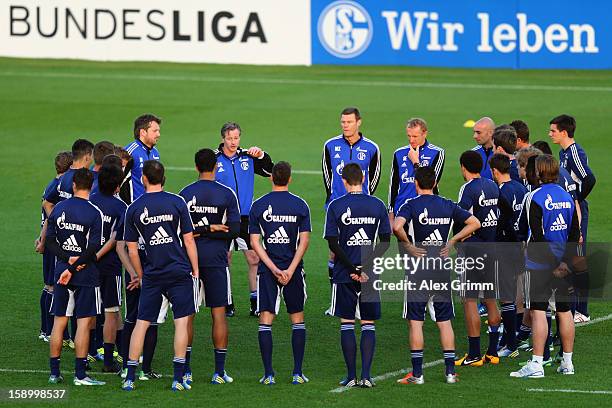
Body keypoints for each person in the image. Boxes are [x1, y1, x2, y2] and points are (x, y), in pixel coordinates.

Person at [393, 166, 480, 385]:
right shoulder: (448, 204)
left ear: (416, 183)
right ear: (434, 183)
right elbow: (475, 223)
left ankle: (417, 375)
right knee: (444, 321)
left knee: (415, 322)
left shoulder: (410, 205)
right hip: (440, 270)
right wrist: (452, 240)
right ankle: (450, 373)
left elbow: (396, 226)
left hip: (417, 270)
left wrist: (409, 245)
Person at [122, 160, 199, 391]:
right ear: (163, 178)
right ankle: (178, 378)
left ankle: (130, 377)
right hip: (178, 271)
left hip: (153, 274)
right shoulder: (177, 202)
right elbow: (188, 239)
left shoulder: (134, 208)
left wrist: (140, 274)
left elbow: (131, 248)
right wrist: (195, 269)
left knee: (141, 323)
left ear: (144, 178)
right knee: (181, 323)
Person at [510, 155, 580, 378]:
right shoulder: (568, 197)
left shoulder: (534, 196)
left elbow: (536, 235)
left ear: (539, 172)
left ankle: (537, 364)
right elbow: (575, 233)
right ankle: (567, 363)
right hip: (564, 265)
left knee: (539, 311)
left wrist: (552, 264)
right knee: (564, 311)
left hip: (540, 264)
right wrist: (565, 263)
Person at [324, 163, 390, 388]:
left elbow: (333, 243)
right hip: (370, 274)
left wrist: (352, 268)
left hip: (344, 273)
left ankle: (351, 375)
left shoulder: (336, 205)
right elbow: (385, 241)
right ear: (363, 179)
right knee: (368, 323)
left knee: (347, 323)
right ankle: (367, 376)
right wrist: (365, 267)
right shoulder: (377, 204)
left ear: (343, 181)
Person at [179, 148, 240, 385]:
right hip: (216, 261)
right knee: (218, 314)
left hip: (190, 262)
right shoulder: (227, 194)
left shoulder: (184, 194)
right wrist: (213, 229)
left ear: (196, 167)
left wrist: (200, 231)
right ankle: (219, 372)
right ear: (215, 166)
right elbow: (235, 230)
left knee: (188, 316)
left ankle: (186, 370)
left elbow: (179, 231)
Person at [249, 162, 311, 385]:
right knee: (297, 319)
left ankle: (268, 374)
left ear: (271, 178)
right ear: (290, 179)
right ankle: (297, 373)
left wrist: (274, 268)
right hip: (293, 271)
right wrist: (290, 269)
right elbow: (304, 242)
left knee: (266, 320)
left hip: (268, 271)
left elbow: (255, 243)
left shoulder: (259, 205)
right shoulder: (300, 205)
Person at [45, 168, 105, 386]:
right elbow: (93, 248)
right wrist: (76, 263)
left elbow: (50, 241)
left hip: (61, 272)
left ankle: (54, 373)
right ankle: (80, 375)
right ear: (91, 187)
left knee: (59, 322)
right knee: (82, 323)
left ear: (73, 185)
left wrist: (67, 260)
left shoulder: (59, 208)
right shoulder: (94, 212)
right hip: (85, 274)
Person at [322, 107, 381, 315]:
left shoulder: (372, 148)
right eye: (342, 122)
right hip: (337, 207)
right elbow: (327, 177)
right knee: (334, 252)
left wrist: (364, 200)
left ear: (358, 122)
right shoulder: (330, 145)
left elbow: (373, 179)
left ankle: (362, 298)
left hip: (362, 207)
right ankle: (335, 302)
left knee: (363, 248)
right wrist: (333, 202)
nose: (345, 125)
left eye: (349, 122)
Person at [214, 121, 274, 317]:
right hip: (224, 218)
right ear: (223, 138)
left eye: (236, 137)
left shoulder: (248, 157)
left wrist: (262, 155)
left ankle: (255, 301)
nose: (233, 142)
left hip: (246, 217)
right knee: (226, 259)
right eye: (230, 138)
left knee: (254, 258)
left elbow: (269, 171)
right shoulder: (215, 159)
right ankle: (226, 302)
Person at [453, 151, 501, 367]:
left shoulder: (467, 189)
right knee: (490, 298)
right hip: (492, 248)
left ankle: (473, 354)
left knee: (469, 299)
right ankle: (492, 351)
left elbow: (461, 217)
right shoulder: (492, 185)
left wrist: (457, 240)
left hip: (473, 250)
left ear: (463, 167)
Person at [549, 114, 596, 322]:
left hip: (577, 209)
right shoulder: (563, 152)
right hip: (568, 209)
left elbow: (589, 178)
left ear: (564, 133)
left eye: (553, 131)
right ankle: (572, 305)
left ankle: (583, 311)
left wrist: (577, 200)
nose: (550, 134)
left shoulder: (575, 152)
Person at [89, 163, 130, 373]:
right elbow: (117, 240)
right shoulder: (121, 207)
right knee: (112, 312)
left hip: (87, 266)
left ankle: (86, 355)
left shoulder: (90, 200)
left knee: (87, 311)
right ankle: (108, 361)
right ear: (118, 184)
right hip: (110, 267)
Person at [489, 154, 528, 358]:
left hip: (505, 246)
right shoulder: (521, 188)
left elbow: (500, 222)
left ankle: (510, 344)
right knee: (515, 293)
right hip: (520, 244)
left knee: (506, 296)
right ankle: (510, 338)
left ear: (495, 171)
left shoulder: (499, 192)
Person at [36, 151, 72, 343]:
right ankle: (50, 330)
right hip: (53, 243)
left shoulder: (52, 185)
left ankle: (46, 329)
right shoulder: (60, 189)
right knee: (52, 286)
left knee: (49, 285)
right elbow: (51, 219)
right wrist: (43, 239)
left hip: (49, 241)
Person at [388, 118, 445, 220]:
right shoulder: (399, 153)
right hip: (401, 208)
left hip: (426, 209)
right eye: (409, 136)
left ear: (424, 134)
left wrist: (415, 162)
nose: (411, 140)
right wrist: (391, 212)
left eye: (415, 136)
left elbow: (430, 182)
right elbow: (394, 184)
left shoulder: (437, 153)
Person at [124, 114, 161, 203]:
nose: (158, 134)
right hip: (134, 207)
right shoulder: (130, 152)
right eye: (155, 131)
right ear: (143, 132)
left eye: (158, 131)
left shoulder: (155, 152)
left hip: (152, 205)